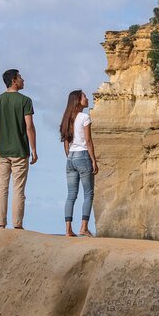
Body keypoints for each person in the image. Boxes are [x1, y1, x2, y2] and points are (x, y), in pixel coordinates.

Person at [0, 69, 37, 229]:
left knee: (2, 187)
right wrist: (34, 149)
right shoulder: (25, 101)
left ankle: (1, 224)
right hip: (20, 150)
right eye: (20, 77)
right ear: (14, 81)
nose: (23, 80)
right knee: (18, 189)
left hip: (1, 150)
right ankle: (17, 225)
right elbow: (29, 126)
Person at [59, 89, 98, 237]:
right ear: (78, 100)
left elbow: (66, 143)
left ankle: (68, 230)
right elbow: (88, 141)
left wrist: (70, 156)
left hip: (71, 158)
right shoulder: (84, 117)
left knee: (71, 195)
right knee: (88, 193)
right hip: (83, 156)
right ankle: (84, 228)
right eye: (84, 97)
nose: (87, 99)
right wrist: (93, 160)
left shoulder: (67, 118)